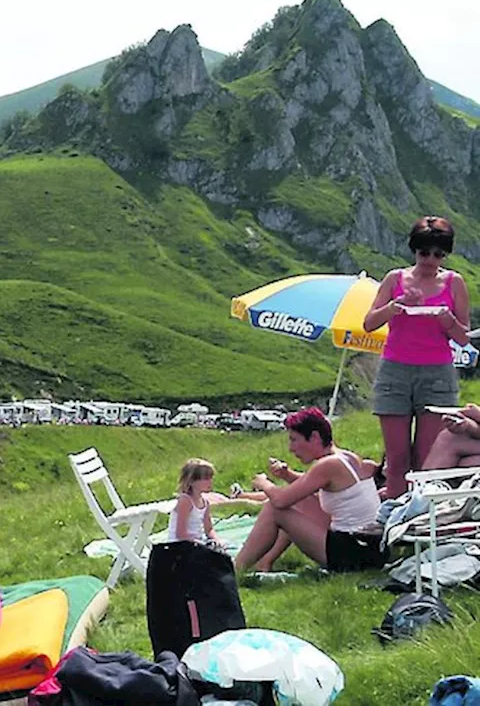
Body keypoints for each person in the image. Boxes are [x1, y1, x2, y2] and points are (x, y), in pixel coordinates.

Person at [363, 216, 470, 497]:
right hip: (395, 371)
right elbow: (369, 323)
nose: (431, 260)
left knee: (426, 458)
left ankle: (416, 518)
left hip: (437, 373)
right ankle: (393, 515)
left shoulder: (454, 283)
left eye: (438, 254)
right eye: (425, 253)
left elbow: (463, 337)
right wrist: (393, 307)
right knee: (397, 458)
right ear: (415, 250)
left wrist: (447, 320)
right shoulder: (395, 279)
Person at [234, 408, 386, 573]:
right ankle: (264, 562)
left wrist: (264, 483)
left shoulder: (328, 465)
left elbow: (281, 500)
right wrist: (287, 475)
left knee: (274, 509)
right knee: (297, 500)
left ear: (314, 437)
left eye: (294, 440)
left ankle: (234, 570)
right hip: (371, 549)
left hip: (352, 554)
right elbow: (310, 485)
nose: (291, 449)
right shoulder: (346, 457)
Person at [167, 459, 221, 544]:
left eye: (211, 478)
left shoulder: (205, 502)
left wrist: (216, 541)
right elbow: (180, 534)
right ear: (191, 481)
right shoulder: (185, 501)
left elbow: (209, 529)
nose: (210, 482)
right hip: (180, 546)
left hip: (197, 543)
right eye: (206, 479)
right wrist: (200, 544)